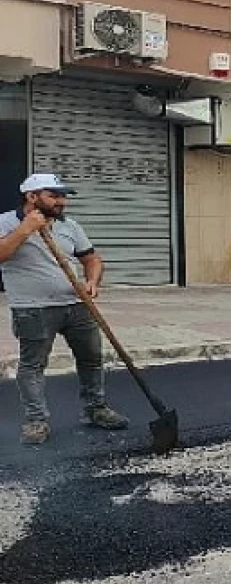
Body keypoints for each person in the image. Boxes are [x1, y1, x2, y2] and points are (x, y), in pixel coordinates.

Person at [0, 173, 129, 445]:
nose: (62, 202)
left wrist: (92, 282)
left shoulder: (69, 225)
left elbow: (91, 258)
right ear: (31, 197)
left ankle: (95, 409)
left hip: (76, 304)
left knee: (91, 357)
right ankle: (36, 421)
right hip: (33, 309)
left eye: (63, 196)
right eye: (54, 196)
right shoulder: (5, 222)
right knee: (33, 365)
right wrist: (26, 229)